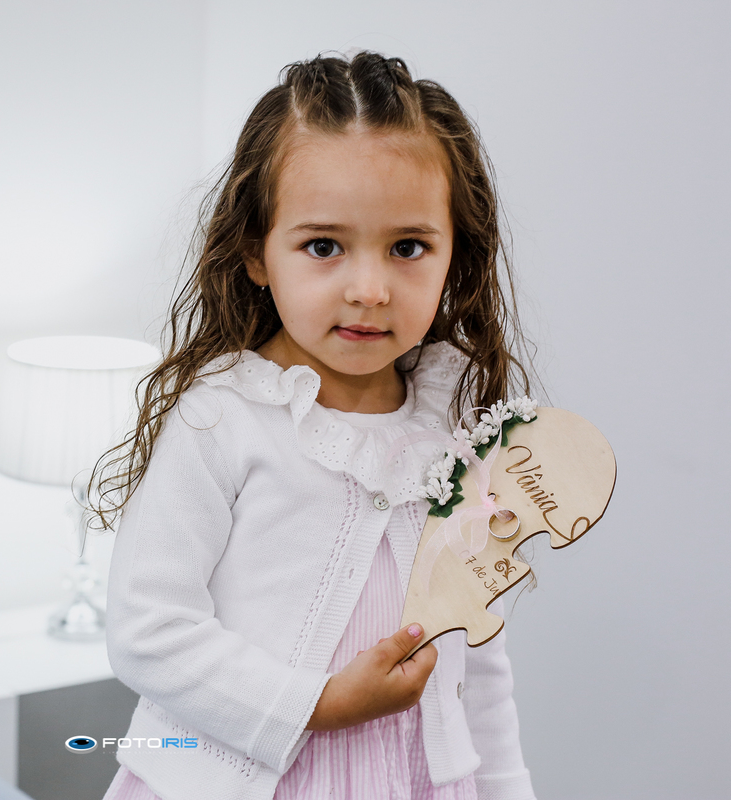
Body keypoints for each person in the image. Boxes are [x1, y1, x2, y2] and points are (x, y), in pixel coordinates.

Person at [87, 51, 538, 800]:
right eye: (323, 246)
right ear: (257, 253)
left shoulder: (459, 417)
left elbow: (476, 650)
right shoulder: (221, 418)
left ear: (456, 253)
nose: (369, 289)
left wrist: (505, 786)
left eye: (408, 247)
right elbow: (147, 629)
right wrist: (314, 705)